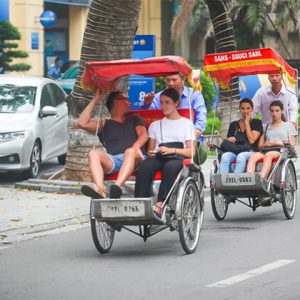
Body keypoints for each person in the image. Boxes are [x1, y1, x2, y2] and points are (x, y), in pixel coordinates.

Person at [135, 87, 196, 218]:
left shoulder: (186, 123)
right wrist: (151, 153)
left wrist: (172, 150)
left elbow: (191, 152)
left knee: (170, 167)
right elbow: (150, 150)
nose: (163, 106)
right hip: (159, 155)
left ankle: (160, 205)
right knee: (145, 167)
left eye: (167, 102)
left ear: (176, 103)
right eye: (161, 102)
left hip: (177, 156)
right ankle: (140, 203)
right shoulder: (155, 125)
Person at [77, 89, 148, 199]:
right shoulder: (105, 123)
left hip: (136, 157)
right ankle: (100, 190)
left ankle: (117, 187)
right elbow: (81, 123)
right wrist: (95, 99)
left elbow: (144, 135)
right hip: (115, 160)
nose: (129, 101)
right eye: (124, 99)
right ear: (116, 103)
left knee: (129, 151)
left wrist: (135, 147)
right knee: (93, 153)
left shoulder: (134, 118)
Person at [143, 72, 207, 139]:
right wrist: (147, 103)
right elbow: (149, 117)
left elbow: (201, 115)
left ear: (183, 79)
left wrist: (197, 129)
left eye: (174, 80)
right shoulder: (157, 97)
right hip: (164, 138)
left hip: (188, 138)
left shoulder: (194, 95)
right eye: (168, 80)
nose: (171, 83)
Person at [247, 100, 297, 180]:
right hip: (266, 149)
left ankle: (262, 179)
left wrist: (278, 144)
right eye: (272, 111)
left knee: (269, 155)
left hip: (281, 150)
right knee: (253, 157)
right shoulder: (266, 127)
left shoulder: (288, 125)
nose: (274, 113)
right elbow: (260, 146)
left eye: (277, 111)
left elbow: (292, 146)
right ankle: (250, 180)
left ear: (282, 111)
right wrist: (267, 144)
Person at [219, 98, 263, 174]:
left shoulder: (257, 122)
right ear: (239, 109)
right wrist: (229, 139)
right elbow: (230, 140)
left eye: (248, 108)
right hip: (235, 150)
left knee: (241, 156)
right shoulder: (233, 124)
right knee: (225, 156)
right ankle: (224, 181)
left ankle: (236, 181)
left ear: (252, 109)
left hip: (251, 151)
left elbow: (252, 140)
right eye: (243, 108)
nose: (245, 111)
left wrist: (247, 123)